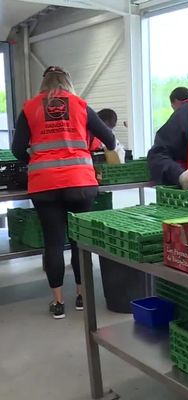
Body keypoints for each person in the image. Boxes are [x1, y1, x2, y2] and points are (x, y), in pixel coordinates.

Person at [11, 66, 116, 319]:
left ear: (43, 83)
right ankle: (81, 295)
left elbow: (16, 149)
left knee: (54, 242)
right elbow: (110, 140)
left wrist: (35, 159)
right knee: (80, 240)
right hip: (80, 182)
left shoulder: (30, 108)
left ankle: (58, 303)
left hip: (45, 185)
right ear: (68, 83)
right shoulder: (79, 105)